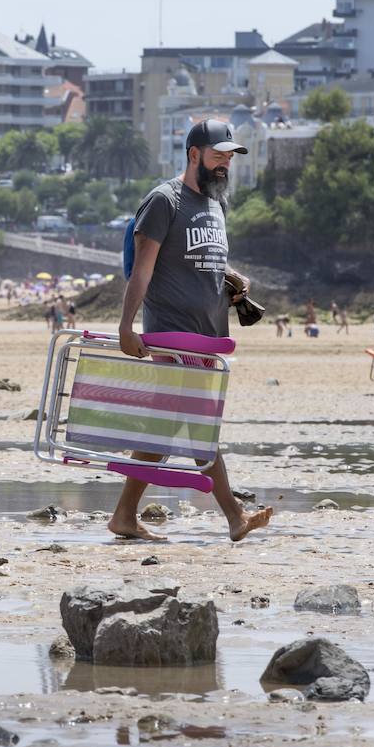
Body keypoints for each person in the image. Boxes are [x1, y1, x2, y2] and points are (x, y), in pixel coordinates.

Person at [114, 118, 274, 543]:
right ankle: (235, 516)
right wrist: (127, 326)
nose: (225, 164)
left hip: (207, 336)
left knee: (168, 427)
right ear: (193, 154)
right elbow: (143, 270)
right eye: (218, 155)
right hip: (172, 333)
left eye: (229, 157)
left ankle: (125, 515)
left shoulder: (216, 206)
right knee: (197, 424)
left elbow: (203, 260)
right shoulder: (164, 200)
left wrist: (233, 278)